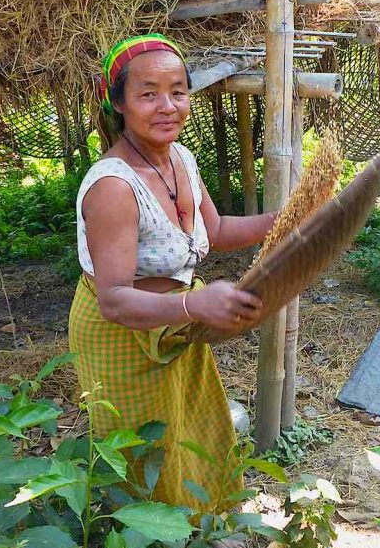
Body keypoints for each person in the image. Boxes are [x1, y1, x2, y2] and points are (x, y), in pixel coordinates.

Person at [70, 33, 276, 514]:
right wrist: (192, 304)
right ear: (118, 102)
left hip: (177, 322)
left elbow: (216, 228)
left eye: (178, 91)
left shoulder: (181, 159)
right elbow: (115, 298)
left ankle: (202, 529)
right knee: (147, 450)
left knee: (193, 426)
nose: (168, 106)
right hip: (122, 336)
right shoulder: (113, 187)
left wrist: (282, 223)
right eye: (148, 93)